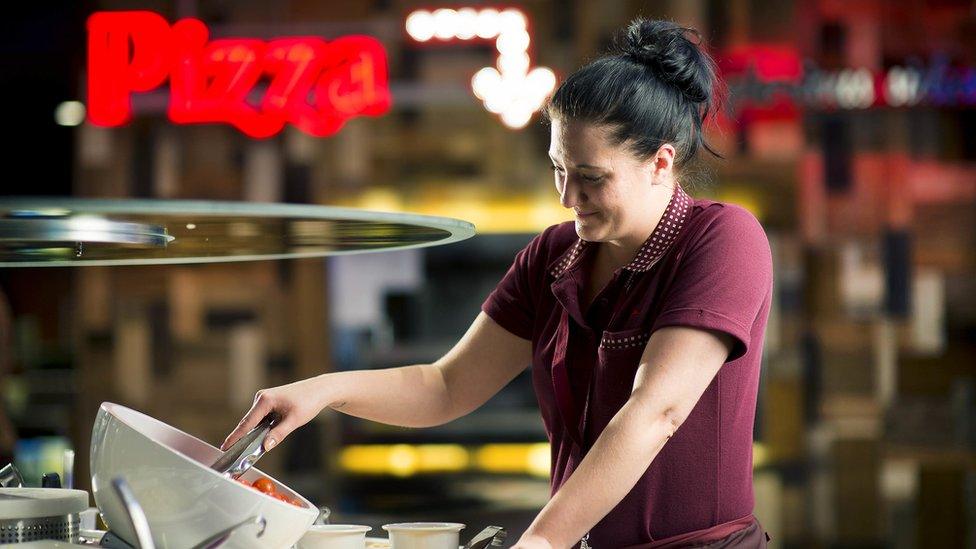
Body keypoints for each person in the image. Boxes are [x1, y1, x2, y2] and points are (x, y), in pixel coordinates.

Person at [222, 18, 773, 548]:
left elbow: (657, 412)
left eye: (590, 178)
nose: (567, 196)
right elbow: (445, 387)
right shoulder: (554, 256)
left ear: (660, 162)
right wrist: (322, 390)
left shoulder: (723, 239)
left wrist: (540, 541)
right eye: (560, 168)